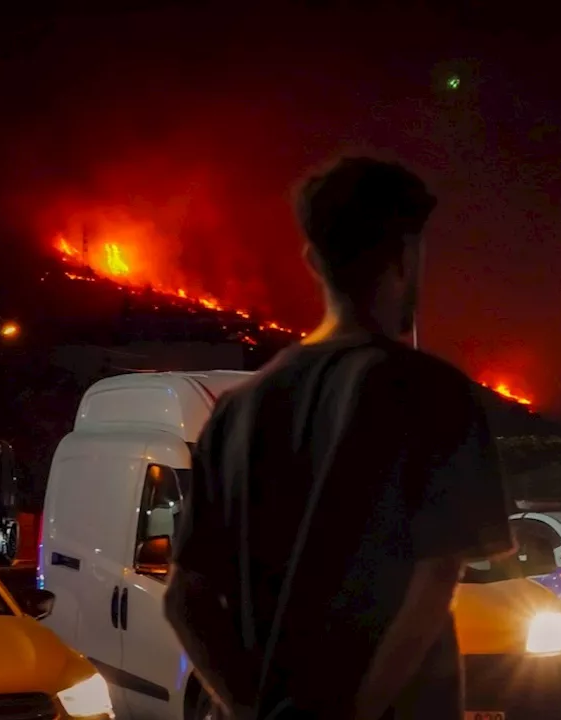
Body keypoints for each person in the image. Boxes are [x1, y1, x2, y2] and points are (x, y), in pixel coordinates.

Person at [163, 157, 515, 720]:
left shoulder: (237, 412)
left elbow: (186, 599)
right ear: (405, 256)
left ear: (312, 261)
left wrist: (253, 709)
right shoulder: (431, 392)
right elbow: (434, 578)